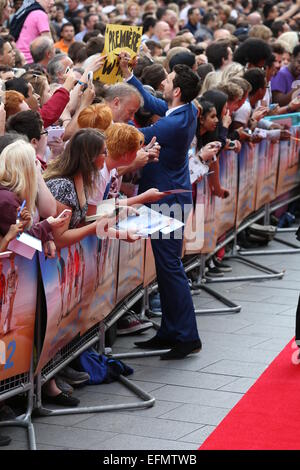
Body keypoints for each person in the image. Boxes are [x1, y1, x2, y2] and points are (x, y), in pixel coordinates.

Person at [120, 56, 202, 359]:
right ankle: (170, 330)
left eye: (167, 81)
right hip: (171, 197)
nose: (163, 84)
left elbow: (133, 136)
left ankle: (186, 335)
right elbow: (154, 103)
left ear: (177, 91)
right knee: (167, 269)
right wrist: (129, 77)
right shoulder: (187, 109)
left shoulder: (174, 123)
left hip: (168, 200)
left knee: (170, 268)